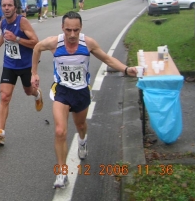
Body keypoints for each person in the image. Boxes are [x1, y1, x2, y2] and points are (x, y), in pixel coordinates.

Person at [30, 11, 137, 189]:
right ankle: (62, 172)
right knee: (60, 131)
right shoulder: (53, 42)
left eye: (76, 30)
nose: (72, 35)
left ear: (81, 28)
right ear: (62, 28)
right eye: (68, 30)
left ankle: (82, 140)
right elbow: (36, 48)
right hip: (62, 90)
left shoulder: (87, 43)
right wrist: (34, 72)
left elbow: (107, 59)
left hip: (81, 91)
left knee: (80, 126)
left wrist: (126, 69)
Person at [0, 0, 43, 146]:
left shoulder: (22, 22)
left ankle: (37, 94)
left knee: (28, 91)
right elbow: (4, 36)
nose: (6, 8)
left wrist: (17, 39)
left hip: (26, 65)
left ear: (15, 7)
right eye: (4, 5)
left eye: (9, 5)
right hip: (9, 64)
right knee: (5, 96)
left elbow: (36, 43)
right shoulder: (2, 23)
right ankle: (0, 133)